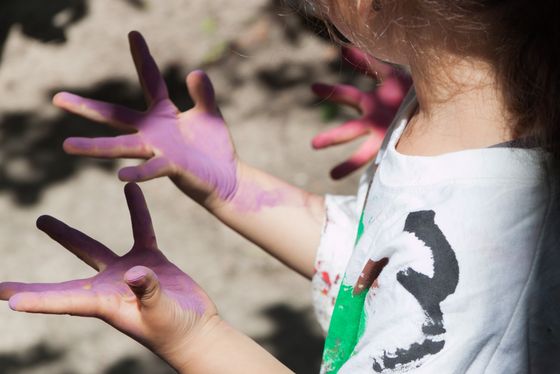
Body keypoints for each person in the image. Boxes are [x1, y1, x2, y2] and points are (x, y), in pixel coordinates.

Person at [1, 0, 559, 371]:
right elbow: (371, 267)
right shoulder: (467, 113)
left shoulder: (483, 257)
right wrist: (232, 187)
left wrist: (194, 337)